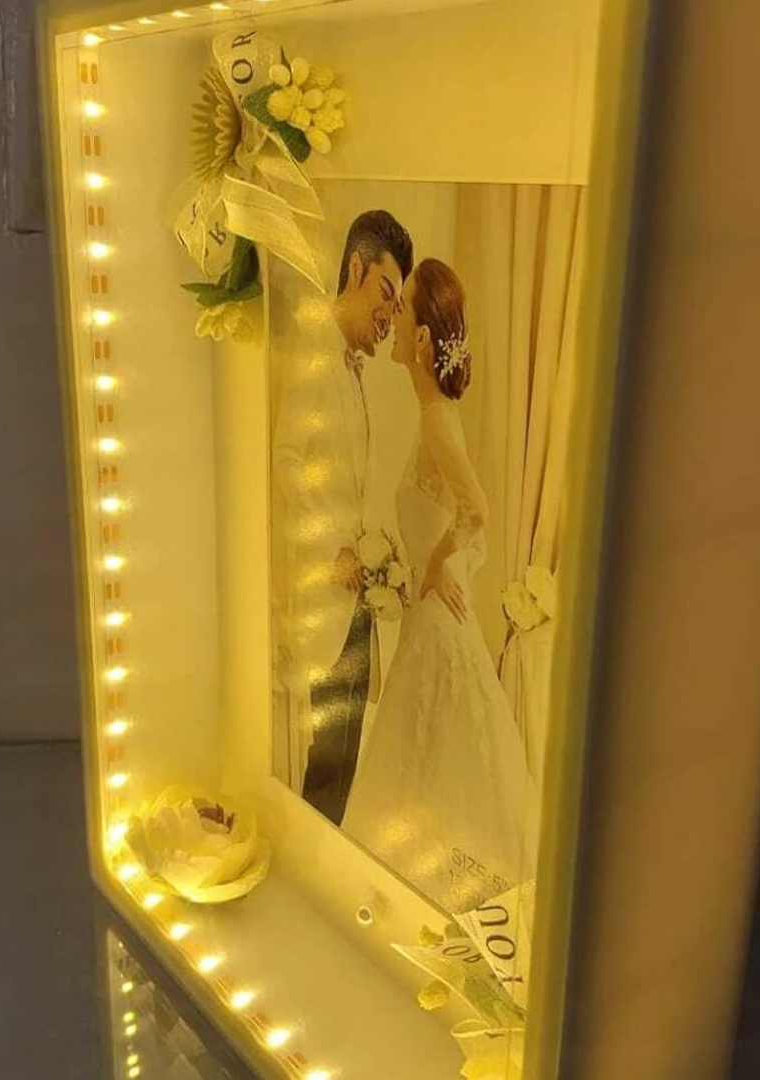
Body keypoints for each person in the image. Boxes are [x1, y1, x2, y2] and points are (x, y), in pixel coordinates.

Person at [342, 258, 536, 913]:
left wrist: (438, 562)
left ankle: (433, 891)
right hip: (430, 622)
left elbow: (477, 507)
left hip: (438, 625)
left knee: (438, 759)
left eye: (402, 310)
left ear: (422, 338)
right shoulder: (436, 414)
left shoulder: (436, 420)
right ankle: (424, 884)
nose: (392, 319)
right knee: (433, 758)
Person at [272, 210, 414, 826]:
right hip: (322, 594)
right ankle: (310, 854)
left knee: (345, 756)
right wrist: (332, 549)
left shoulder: (355, 373)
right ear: (355, 270)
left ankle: (325, 850)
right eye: (385, 293)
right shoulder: (312, 350)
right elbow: (284, 459)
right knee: (325, 758)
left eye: (397, 304)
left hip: (355, 599)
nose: (389, 314)